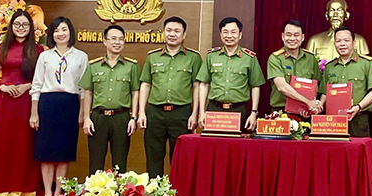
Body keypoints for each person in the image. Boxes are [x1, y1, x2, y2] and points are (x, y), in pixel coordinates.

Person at [0, 9, 44, 196]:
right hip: (4, 103)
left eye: (25, 25)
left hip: (26, 103)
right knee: (1, 147)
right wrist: (2, 86)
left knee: (22, 147)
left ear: (31, 28)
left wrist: (27, 86)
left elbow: (42, 78)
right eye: (17, 24)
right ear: (11, 27)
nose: (21, 28)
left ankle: (18, 194)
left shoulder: (38, 50)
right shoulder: (1, 49)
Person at [30, 16, 88, 196]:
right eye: (56, 30)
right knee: (46, 152)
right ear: (51, 34)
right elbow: (36, 85)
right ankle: (47, 193)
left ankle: (58, 194)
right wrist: (34, 113)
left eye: (64, 29)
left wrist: (82, 112)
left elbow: (83, 88)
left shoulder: (81, 56)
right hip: (47, 104)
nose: (60, 34)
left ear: (70, 32)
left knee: (64, 153)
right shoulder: (44, 56)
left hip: (69, 105)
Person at [137, 16, 202, 178]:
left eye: (177, 31)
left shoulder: (193, 58)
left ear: (184, 34)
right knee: (154, 156)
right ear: (163, 32)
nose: (172, 34)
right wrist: (141, 112)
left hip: (181, 113)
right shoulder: (153, 57)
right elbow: (146, 85)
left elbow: (197, 86)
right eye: (169, 30)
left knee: (180, 158)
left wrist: (195, 113)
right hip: (155, 113)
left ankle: (177, 192)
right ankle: (154, 191)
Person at [80, 25, 140, 175]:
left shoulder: (131, 66)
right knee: (96, 162)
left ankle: (120, 190)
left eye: (121, 39)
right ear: (105, 41)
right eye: (113, 39)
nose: (117, 42)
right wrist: (86, 118)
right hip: (98, 118)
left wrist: (133, 117)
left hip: (121, 118)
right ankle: (95, 190)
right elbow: (88, 92)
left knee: (120, 163)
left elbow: (135, 92)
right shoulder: (94, 66)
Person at [197, 17, 265, 131]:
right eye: (225, 32)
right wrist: (202, 112)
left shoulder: (249, 58)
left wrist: (254, 112)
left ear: (240, 35)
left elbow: (255, 86)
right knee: (213, 142)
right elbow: (204, 84)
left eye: (233, 32)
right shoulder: (211, 56)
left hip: (239, 110)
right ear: (220, 34)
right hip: (214, 110)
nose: (229, 36)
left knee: (236, 142)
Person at [320, 27, 372, 137]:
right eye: (338, 41)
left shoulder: (366, 63)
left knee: (358, 148)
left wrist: (358, 107)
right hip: (334, 120)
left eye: (346, 40)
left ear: (354, 43)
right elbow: (324, 93)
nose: (342, 44)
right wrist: (319, 105)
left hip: (358, 119)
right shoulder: (330, 67)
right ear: (334, 44)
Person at [267, 20, 322, 116]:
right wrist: (307, 102)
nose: (292, 38)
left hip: (305, 111)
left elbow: (315, 85)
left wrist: (311, 105)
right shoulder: (275, 58)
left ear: (302, 37)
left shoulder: (311, 58)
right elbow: (282, 87)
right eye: (288, 35)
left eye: (296, 35)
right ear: (283, 37)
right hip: (281, 112)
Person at [305, 0, 370, 61]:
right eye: (332, 10)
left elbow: (365, 65)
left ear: (346, 15)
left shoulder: (359, 41)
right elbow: (308, 64)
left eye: (339, 10)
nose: (335, 15)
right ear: (327, 15)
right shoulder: (314, 41)